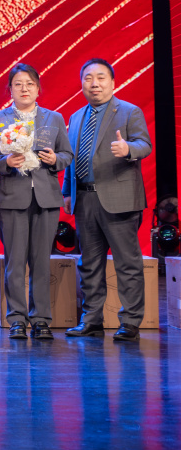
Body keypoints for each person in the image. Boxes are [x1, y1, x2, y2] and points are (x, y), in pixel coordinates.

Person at [62, 58, 153, 341]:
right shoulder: (76, 117)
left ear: (112, 82)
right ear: (82, 84)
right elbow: (71, 158)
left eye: (101, 77)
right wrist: (67, 191)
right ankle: (91, 320)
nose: (95, 83)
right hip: (84, 199)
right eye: (88, 78)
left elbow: (145, 145)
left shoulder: (129, 111)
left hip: (119, 198)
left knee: (127, 263)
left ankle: (130, 322)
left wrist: (128, 149)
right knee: (89, 264)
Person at [0, 64, 73, 340]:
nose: (24, 88)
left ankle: (41, 319)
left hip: (46, 198)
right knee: (15, 261)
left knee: (42, 261)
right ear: (10, 89)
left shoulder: (54, 118)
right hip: (12, 197)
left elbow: (67, 154)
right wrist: (5, 162)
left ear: (38, 89)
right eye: (18, 84)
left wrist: (55, 159)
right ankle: (17, 319)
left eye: (30, 84)